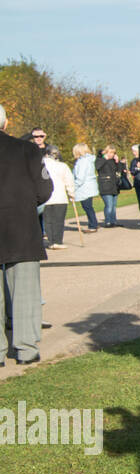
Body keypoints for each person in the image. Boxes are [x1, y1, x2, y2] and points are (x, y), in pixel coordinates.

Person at [0, 105, 47, 366]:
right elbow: (44, 187)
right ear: (6, 124)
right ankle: (26, 347)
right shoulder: (28, 149)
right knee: (26, 289)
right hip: (21, 225)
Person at [41, 145, 76, 251]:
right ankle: (57, 241)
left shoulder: (41, 166)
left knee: (48, 221)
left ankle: (51, 242)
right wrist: (71, 194)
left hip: (46, 198)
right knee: (58, 220)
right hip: (60, 197)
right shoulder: (62, 166)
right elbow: (69, 181)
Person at [95, 146, 127, 228]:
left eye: (113, 153)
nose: (112, 154)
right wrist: (104, 159)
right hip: (105, 185)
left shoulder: (113, 161)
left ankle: (113, 221)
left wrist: (117, 162)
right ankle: (108, 221)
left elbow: (120, 170)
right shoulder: (100, 159)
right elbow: (97, 167)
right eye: (110, 152)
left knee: (113, 205)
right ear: (106, 152)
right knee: (108, 205)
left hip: (114, 185)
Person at [71, 143, 100, 233]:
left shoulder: (83, 161)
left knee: (87, 206)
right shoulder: (87, 160)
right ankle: (93, 223)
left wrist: (73, 187)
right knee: (88, 206)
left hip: (85, 188)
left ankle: (93, 225)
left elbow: (80, 177)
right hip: (88, 186)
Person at [129, 145, 140, 227]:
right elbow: (132, 171)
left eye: (135, 151)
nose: (133, 153)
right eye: (133, 151)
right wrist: (137, 168)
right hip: (137, 183)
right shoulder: (133, 161)